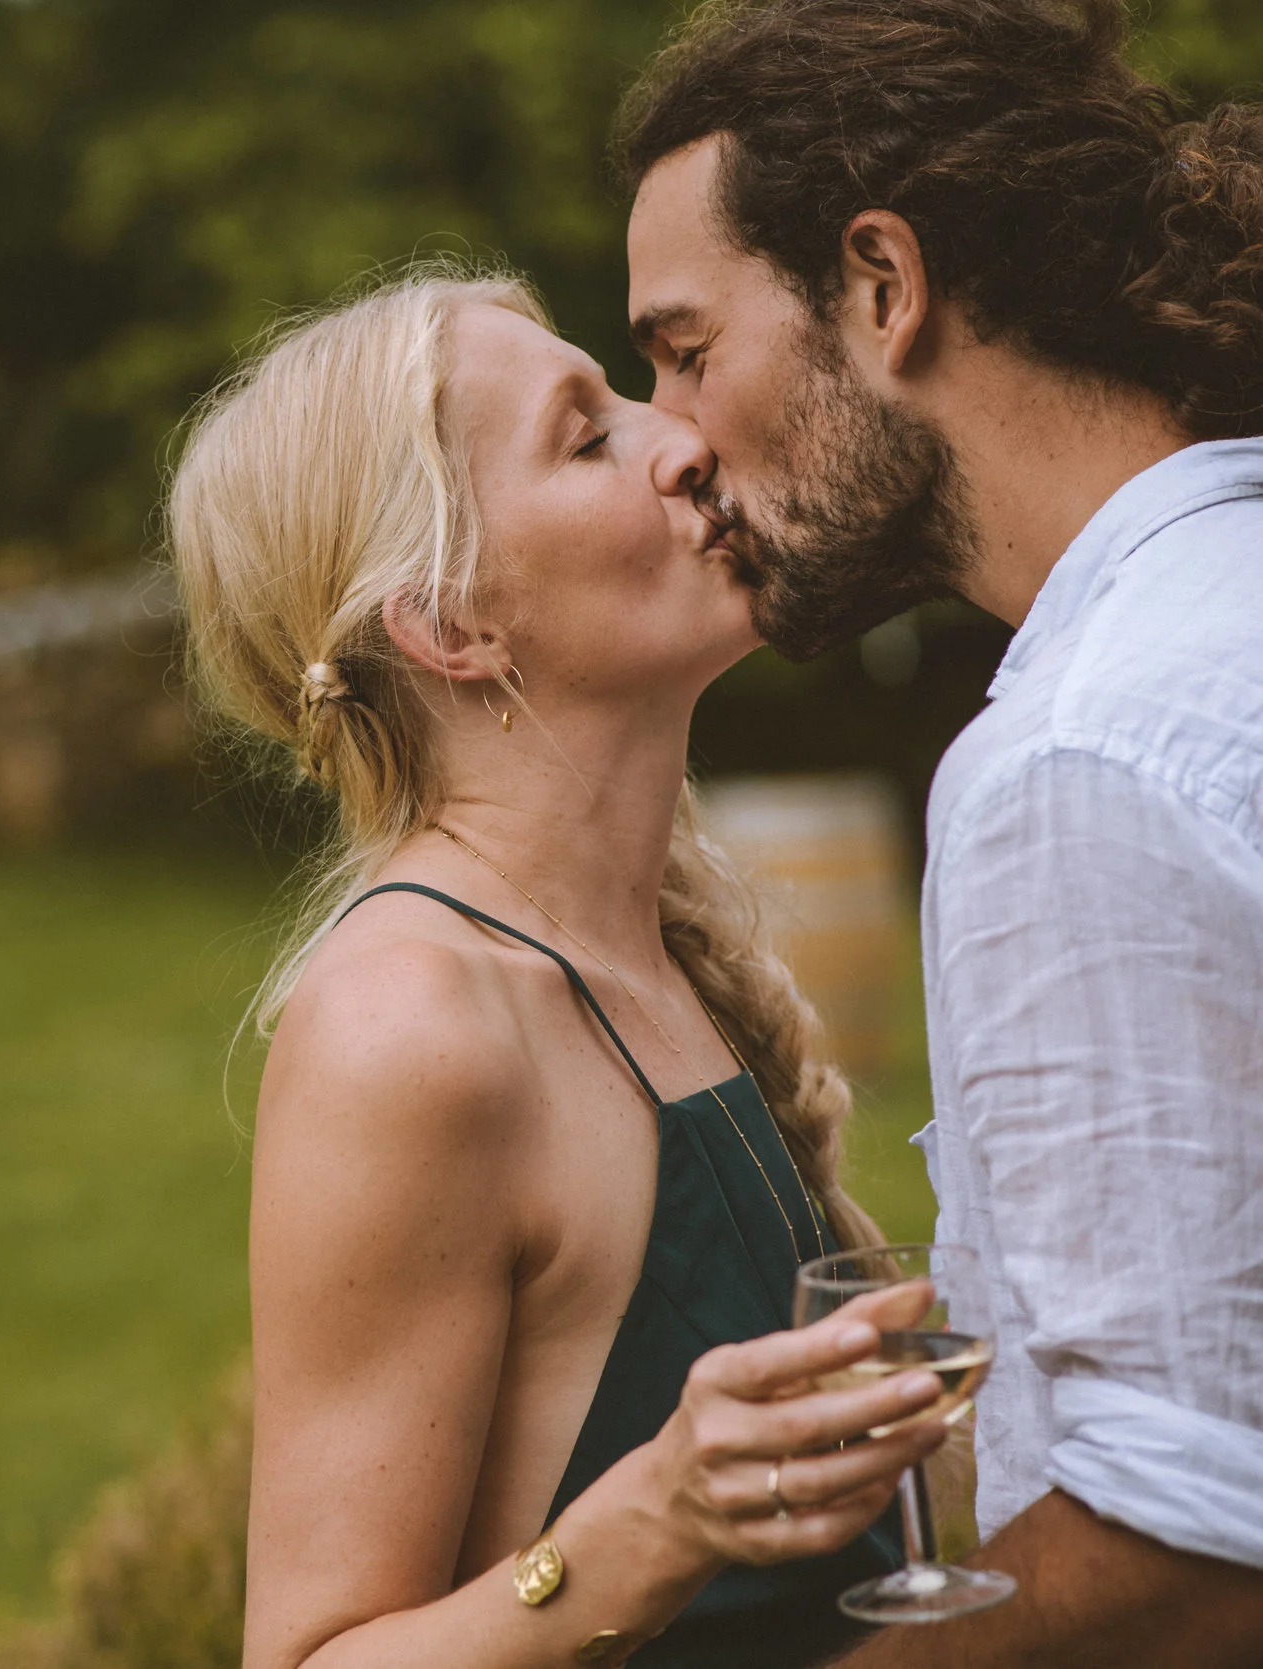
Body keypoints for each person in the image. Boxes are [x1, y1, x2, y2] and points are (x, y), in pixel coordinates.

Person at [171, 269, 958, 1669]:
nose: (685, 443)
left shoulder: (650, 950)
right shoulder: (410, 1025)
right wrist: (654, 1517)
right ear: (452, 625)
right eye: (589, 436)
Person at [615, 2, 1263, 1662]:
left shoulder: (1077, 761)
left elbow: (1186, 1553)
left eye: (688, 350)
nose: (672, 436)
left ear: (884, 286)